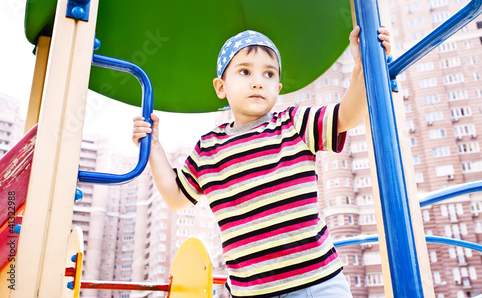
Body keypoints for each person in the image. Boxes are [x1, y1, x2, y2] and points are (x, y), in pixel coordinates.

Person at [132, 26, 391, 298]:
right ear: (221, 87)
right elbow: (176, 197)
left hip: (317, 283)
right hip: (252, 292)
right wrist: (154, 147)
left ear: (278, 88)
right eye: (245, 72)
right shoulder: (209, 148)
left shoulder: (293, 124)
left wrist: (362, 69)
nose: (258, 82)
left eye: (268, 74)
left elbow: (347, 115)